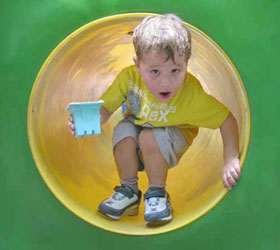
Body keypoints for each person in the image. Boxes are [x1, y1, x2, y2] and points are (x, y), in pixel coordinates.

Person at [68, 14, 241, 226]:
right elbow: (105, 108)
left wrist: (230, 158)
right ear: (138, 65)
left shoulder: (191, 94)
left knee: (149, 137)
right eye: (155, 71)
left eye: (176, 70)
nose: (165, 82)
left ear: (187, 64)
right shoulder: (129, 78)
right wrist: (87, 121)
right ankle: (129, 192)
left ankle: (158, 194)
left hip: (174, 135)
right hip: (139, 128)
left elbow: (226, 119)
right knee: (123, 130)